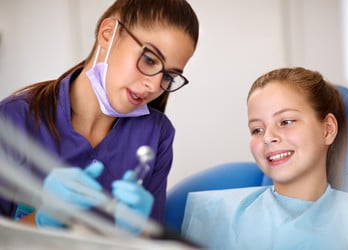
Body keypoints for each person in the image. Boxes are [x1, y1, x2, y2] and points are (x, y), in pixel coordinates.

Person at [0, 0, 199, 234]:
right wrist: (44, 218)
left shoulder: (157, 134)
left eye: (169, 75)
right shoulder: (13, 120)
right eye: (149, 59)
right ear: (108, 34)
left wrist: (140, 231)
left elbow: (149, 242)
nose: (154, 85)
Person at [181, 67, 348, 249]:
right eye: (257, 129)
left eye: (286, 122)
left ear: (328, 130)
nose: (268, 137)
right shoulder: (217, 216)